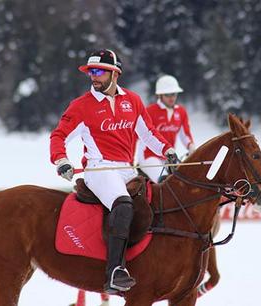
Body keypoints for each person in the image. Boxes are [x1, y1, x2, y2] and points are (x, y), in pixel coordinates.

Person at [50, 49, 178, 294]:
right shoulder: (81, 106)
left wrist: (167, 150)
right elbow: (59, 135)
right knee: (123, 204)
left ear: (115, 74)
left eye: (98, 72)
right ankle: (114, 271)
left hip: (127, 170)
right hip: (100, 169)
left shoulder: (133, 100)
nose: (93, 77)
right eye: (90, 72)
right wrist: (61, 160)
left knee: (156, 202)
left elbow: (149, 134)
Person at [137, 75, 195, 183]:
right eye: (168, 94)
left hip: (169, 157)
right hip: (149, 156)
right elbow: (137, 135)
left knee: (184, 180)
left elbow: (185, 135)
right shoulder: (150, 111)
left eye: (174, 94)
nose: (171, 97)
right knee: (165, 182)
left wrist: (191, 147)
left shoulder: (181, 112)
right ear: (160, 95)